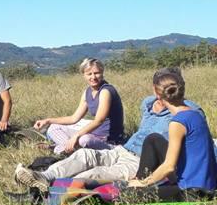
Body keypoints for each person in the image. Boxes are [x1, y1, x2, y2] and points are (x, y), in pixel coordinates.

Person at [14, 67, 210, 192]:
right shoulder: (148, 104)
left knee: (98, 172)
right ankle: (43, 177)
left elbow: (199, 142)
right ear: (155, 88)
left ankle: (55, 188)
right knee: (85, 155)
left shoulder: (187, 112)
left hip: (142, 161)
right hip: (123, 148)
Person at [124, 71, 216, 201]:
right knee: (153, 139)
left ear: (157, 95)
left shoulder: (177, 123)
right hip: (206, 182)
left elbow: (169, 166)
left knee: (128, 195)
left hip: (193, 192)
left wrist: (144, 184)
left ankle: (138, 185)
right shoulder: (195, 113)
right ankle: (139, 179)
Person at [33, 58, 124, 154]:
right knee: (53, 127)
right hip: (93, 134)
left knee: (84, 140)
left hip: (109, 140)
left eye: (96, 73)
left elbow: (99, 120)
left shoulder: (106, 91)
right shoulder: (87, 92)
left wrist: (76, 135)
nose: (93, 77)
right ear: (84, 75)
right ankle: (67, 148)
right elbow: (74, 118)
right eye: (89, 74)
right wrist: (48, 120)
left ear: (102, 73)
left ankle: (59, 149)